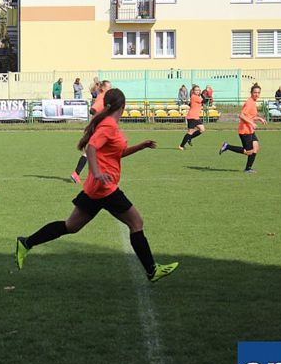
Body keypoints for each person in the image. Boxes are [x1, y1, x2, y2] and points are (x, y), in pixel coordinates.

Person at [14, 88, 179, 283]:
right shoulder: (108, 125)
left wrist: (141, 146)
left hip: (96, 188)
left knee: (71, 226)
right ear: (122, 106)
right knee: (136, 223)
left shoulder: (110, 124)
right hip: (105, 188)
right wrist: (98, 172)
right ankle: (152, 270)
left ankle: (26, 243)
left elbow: (118, 153)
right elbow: (91, 147)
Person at [219, 84, 267, 173]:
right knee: (249, 152)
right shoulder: (249, 103)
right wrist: (251, 123)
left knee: (256, 148)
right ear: (251, 93)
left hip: (250, 130)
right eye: (255, 92)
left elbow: (250, 116)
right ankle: (227, 146)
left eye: (258, 93)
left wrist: (259, 118)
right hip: (245, 131)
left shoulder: (253, 102)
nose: (257, 94)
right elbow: (241, 115)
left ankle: (248, 168)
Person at [72, 80, 111, 184]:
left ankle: (77, 173)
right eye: (109, 87)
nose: (110, 89)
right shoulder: (102, 97)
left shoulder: (103, 97)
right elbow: (92, 110)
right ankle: (78, 173)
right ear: (103, 88)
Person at [179, 85, 205, 150]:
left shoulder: (196, 97)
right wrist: (202, 94)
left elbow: (190, 104)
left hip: (196, 117)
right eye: (196, 90)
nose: (198, 91)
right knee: (190, 132)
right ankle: (181, 146)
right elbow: (205, 101)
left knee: (202, 129)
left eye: (198, 90)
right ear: (193, 91)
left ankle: (189, 138)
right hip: (192, 117)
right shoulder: (194, 96)